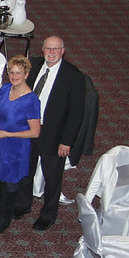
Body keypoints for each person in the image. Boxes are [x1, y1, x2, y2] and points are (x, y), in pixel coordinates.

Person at [16, 36, 85, 230]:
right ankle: (22, 204)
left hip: (54, 134)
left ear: (63, 51)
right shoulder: (34, 66)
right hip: (29, 128)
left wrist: (66, 141)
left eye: (55, 49)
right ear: (43, 49)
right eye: (48, 49)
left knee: (52, 177)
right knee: (25, 169)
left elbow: (76, 114)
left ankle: (48, 214)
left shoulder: (73, 77)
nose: (51, 52)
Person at [0, 56, 42, 234]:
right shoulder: (5, 88)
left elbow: (35, 132)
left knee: (11, 183)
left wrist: (8, 133)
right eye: (11, 72)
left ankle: (6, 218)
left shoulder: (31, 100)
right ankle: (0, 209)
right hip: (0, 142)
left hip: (16, 147)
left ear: (26, 74)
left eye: (18, 72)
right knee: (1, 178)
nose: (14, 76)